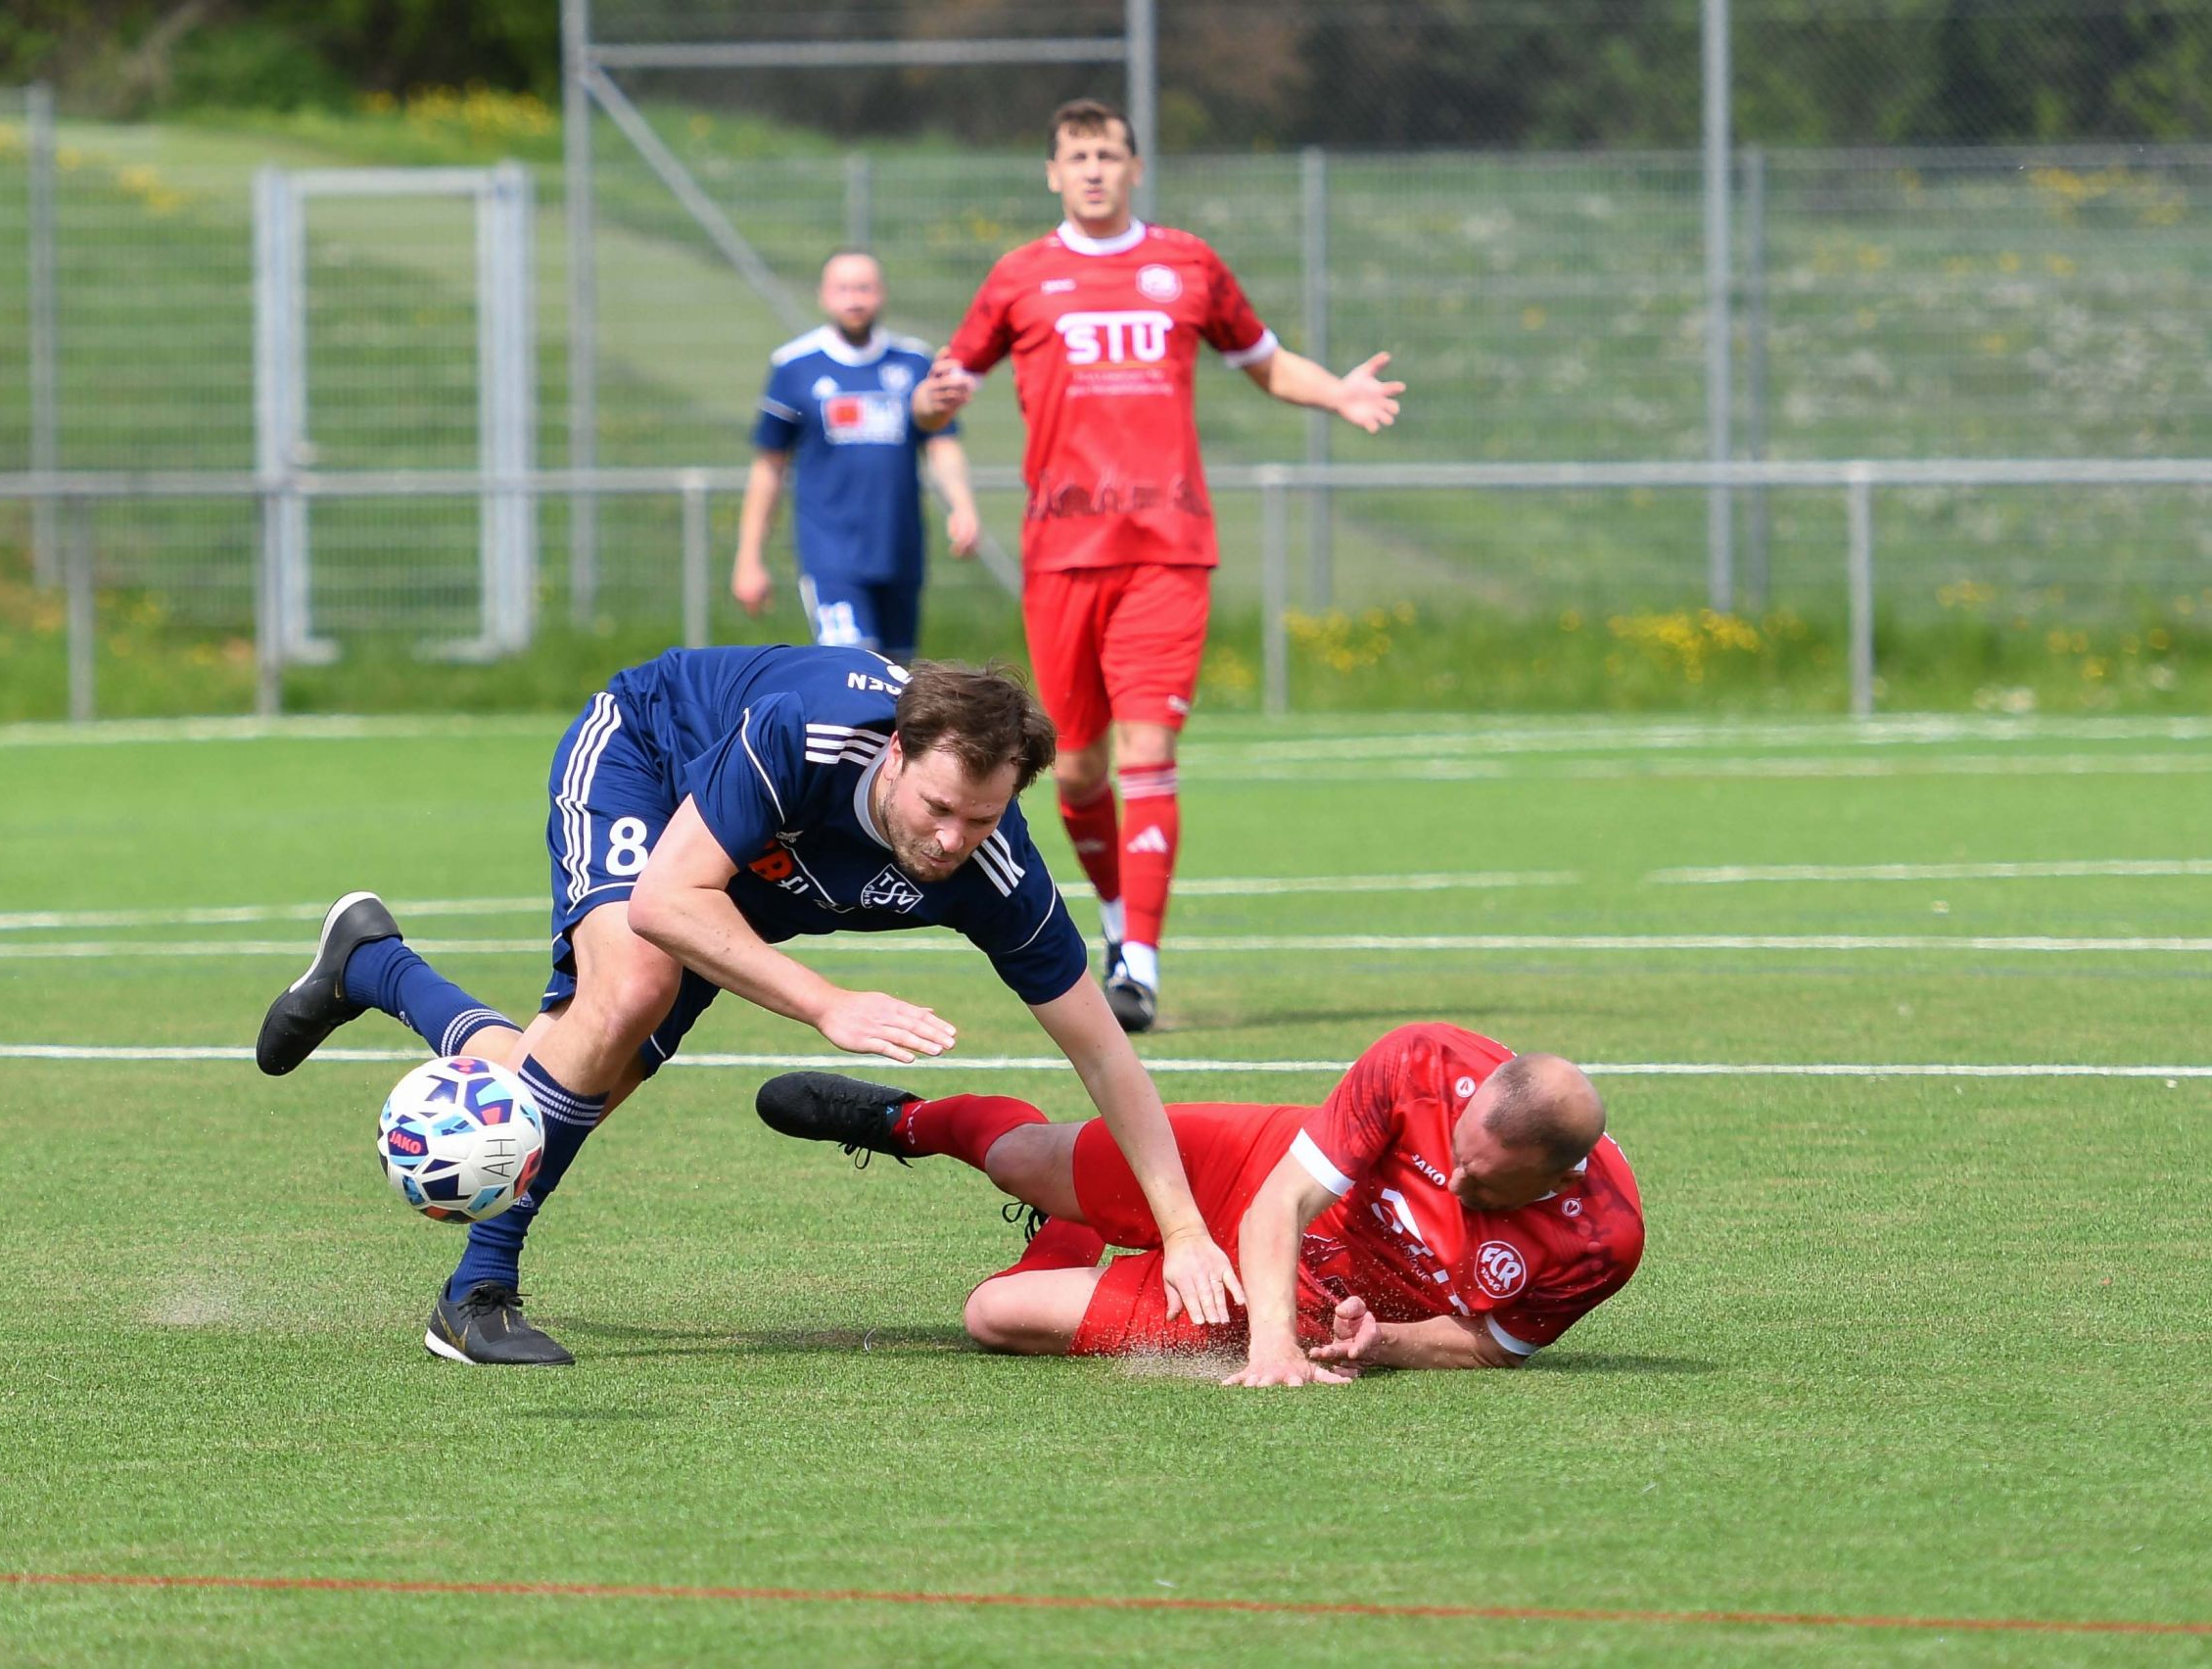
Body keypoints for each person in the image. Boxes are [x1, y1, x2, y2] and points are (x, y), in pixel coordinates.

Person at [254, 648, 1241, 1366]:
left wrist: (1186, 1230)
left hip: (745, 876)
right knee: (631, 990)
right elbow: (664, 901)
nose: (951, 839)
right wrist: (826, 1004)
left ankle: (375, 966)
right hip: (648, 758)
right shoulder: (806, 734)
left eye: (980, 817)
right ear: (896, 754)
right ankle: (474, 1295)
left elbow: (1103, 1054)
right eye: (937, 808)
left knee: (565, 1086)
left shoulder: (995, 870)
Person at [915, 98, 1407, 1031]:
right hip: (1062, 552)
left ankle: (1138, 964)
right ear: (1052, 174)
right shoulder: (1019, 275)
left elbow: (1265, 361)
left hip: (1167, 549)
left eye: (1109, 154)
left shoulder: (1187, 264)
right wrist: (932, 401)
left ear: (1135, 168)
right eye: (1077, 156)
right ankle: (1116, 920)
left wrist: (1336, 393)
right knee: (1075, 770)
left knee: (1148, 750)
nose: (1094, 169)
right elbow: (941, 397)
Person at [755, 1022, 1643, 1385]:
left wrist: (1382, 1341)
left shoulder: (1602, 1241)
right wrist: (1273, 1354)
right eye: (1455, 1153)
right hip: (1254, 1172)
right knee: (1023, 1158)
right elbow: (1280, 1203)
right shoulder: (1423, 1061)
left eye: (1483, 1185)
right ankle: (906, 1122)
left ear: (1557, 1178)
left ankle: (1067, 1233)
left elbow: (1492, 1344)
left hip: (1293, 1299)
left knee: (994, 1315)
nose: (1453, 1182)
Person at [733, 251, 981, 662]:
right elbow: (769, 467)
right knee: (852, 667)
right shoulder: (794, 367)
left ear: (882, 293)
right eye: (843, 289)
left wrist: (963, 506)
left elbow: (942, 443)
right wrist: (749, 558)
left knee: (899, 680)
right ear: (823, 295)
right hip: (831, 555)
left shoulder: (913, 361)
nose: (854, 299)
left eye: (864, 288)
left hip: (899, 551)